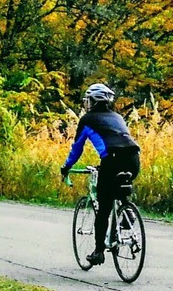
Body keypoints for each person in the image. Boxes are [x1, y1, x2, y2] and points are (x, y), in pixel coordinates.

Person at [60, 82, 142, 266]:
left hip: (112, 159)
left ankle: (98, 252)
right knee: (119, 191)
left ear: (93, 100)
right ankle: (127, 215)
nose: (86, 103)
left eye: (87, 99)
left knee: (104, 207)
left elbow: (77, 148)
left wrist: (66, 167)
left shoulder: (88, 119)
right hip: (134, 158)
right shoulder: (117, 117)